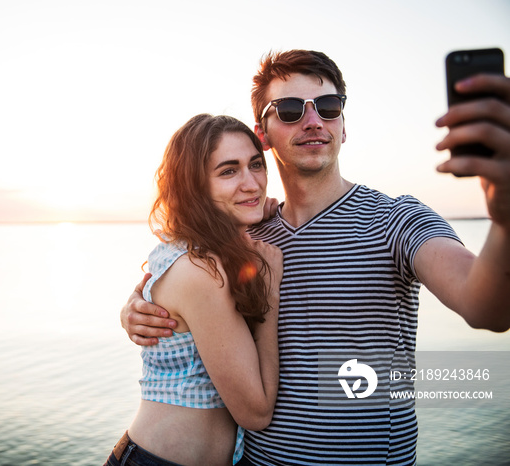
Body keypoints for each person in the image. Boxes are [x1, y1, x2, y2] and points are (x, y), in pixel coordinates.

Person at [120, 50, 510, 465]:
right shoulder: (246, 237)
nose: (313, 121)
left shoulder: (396, 219)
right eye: (289, 110)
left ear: (343, 126)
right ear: (263, 133)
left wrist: (504, 222)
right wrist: (138, 306)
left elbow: (485, 306)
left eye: (329, 107)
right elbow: (186, 283)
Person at [105, 114, 284, 466]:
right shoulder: (202, 269)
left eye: (256, 165)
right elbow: (256, 412)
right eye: (228, 171)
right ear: (195, 186)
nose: (251, 183)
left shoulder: (202, 248)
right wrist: (270, 295)